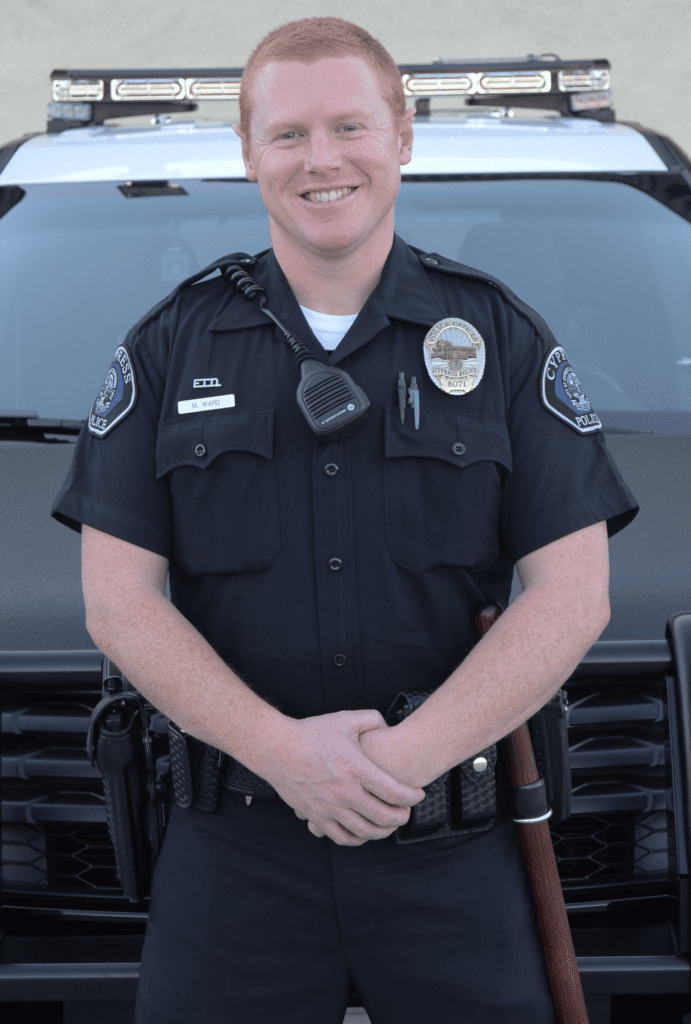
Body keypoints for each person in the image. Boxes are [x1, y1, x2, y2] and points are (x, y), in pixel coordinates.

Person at [52, 16, 638, 1024]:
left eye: (349, 127)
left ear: (402, 137)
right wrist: (287, 756)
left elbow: (572, 591)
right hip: (233, 858)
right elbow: (118, 600)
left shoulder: (496, 336)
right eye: (287, 134)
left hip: (455, 856)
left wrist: (393, 769)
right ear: (248, 152)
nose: (321, 159)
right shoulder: (164, 346)